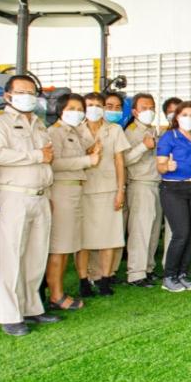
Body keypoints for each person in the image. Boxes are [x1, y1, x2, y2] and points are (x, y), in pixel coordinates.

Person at [0, 74, 56, 336]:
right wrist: (36, 155)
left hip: (40, 194)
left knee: (35, 255)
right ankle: (11, 315)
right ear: (8, 96)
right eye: (22, 92)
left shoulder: (38, 123)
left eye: (31, 92)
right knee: (11, 255)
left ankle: (32, 307)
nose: (28, 96)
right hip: (13, 195)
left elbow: (50, 159)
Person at [46, 94, 96, 310]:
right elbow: (54, 162)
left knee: (67, 245)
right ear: (60, 110)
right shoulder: (54, 132)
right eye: (72, 108)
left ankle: (58, 291)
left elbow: (91, 142)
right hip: (62, 190)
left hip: (75, 189)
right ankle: (56, 295)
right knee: (59, 246)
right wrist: (87, 160)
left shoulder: (74, 131)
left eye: (80, 108)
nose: (77, 112)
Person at [77, 92, 129, 297]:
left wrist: (120, 190)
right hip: (83, 188)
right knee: (83, 240)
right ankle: (84, 280)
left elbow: (119, 161)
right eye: (90, 105)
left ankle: (105, 279)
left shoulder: (114, 130)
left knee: (109, 237)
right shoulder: (75, 130)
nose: (95, 108)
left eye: (99, 105)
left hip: (108, 189)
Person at [157, 101, 191, 293]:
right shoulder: (169, 137)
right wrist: (166, 167)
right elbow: (160, 165)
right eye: (185, 114)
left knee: (190, 233)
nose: (189, 118)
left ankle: (182, 273)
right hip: (173, 188)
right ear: (177, 117)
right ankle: (169, 276)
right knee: (180, 233)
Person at [123, 93, 162, 287]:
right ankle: (136, 273)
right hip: (140, 183)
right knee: (140, 229)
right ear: (135, 111)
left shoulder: (153, 130)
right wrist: (142, 147)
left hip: (156, 183)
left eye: (152, 107)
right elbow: (125, 159)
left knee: (154, 229)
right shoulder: (131, 132)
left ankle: (148, 268)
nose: (149, 111)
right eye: (144, 107)